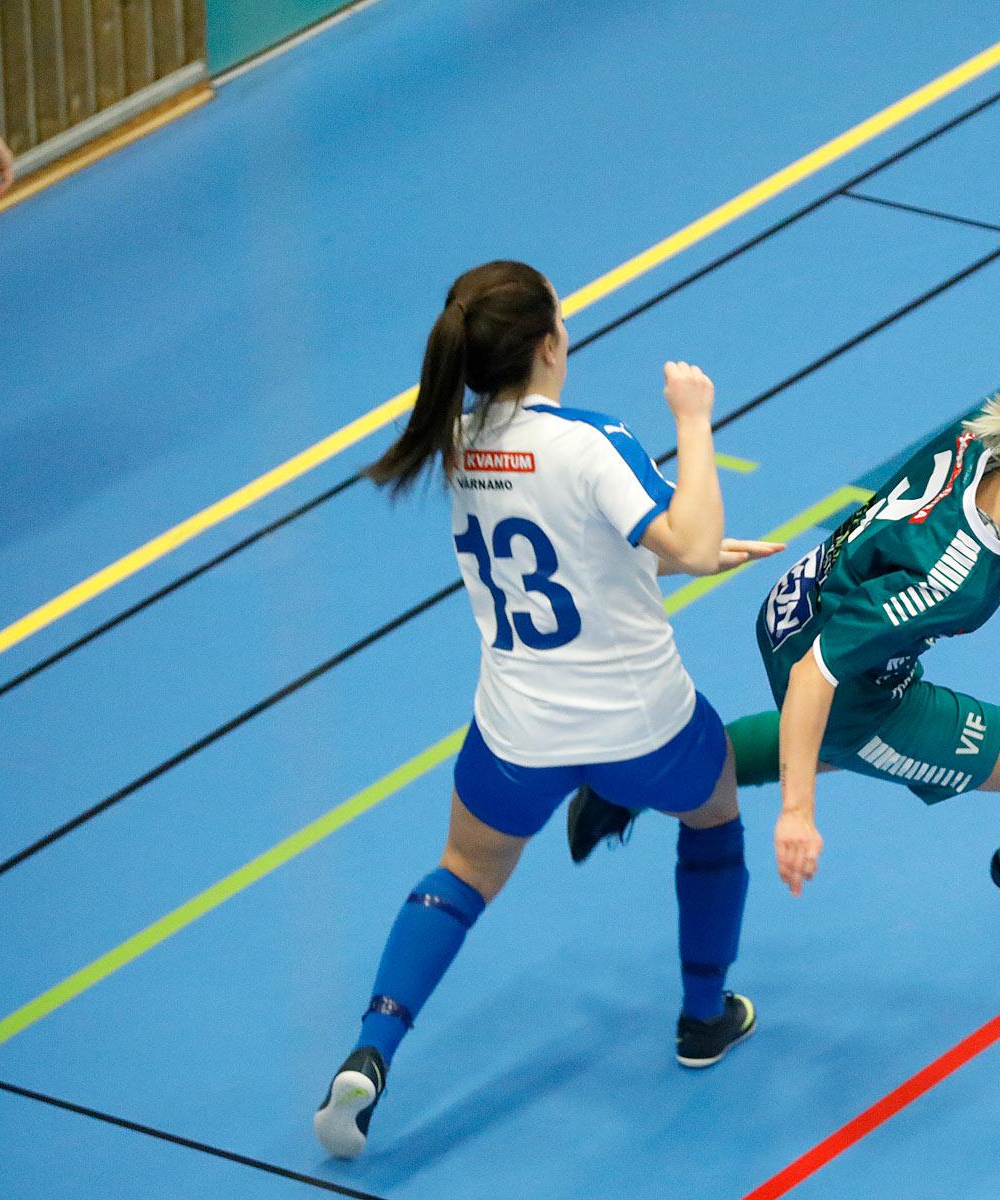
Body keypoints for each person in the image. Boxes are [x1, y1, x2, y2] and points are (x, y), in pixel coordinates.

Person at [314, 260, 782, 1159]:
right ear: (548, 344)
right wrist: (693, 420)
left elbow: (594, 545)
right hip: (642, 723)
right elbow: (675, 536)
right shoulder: (591, 439)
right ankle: (701, 1016)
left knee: (461, 870)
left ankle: (371, 1052)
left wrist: (685, 555)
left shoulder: (455, 444)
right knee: (716, 812)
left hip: (516, 730)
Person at [726, 248, 1000, 932]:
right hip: (847, 685)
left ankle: (656, 776)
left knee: (824, 747)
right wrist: (796, 813)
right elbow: (815, 675)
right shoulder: (948, 577)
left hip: (797, 600)